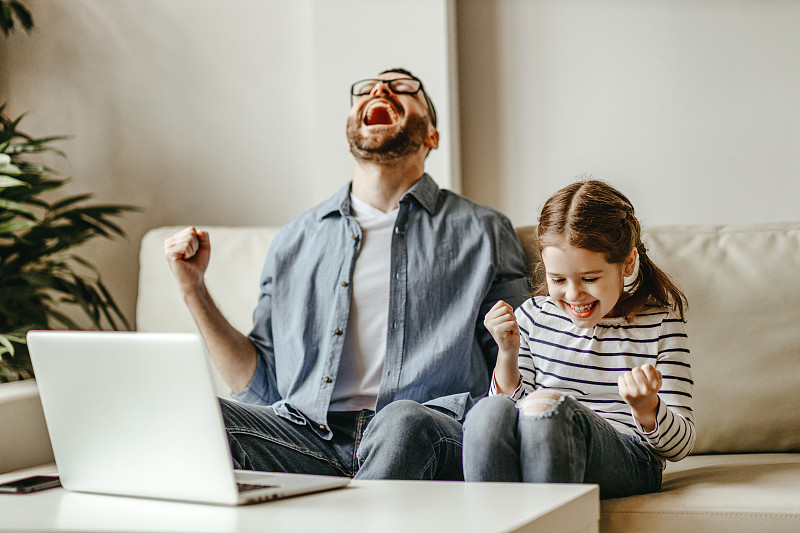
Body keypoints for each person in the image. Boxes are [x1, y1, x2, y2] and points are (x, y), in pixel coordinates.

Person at [164, 68, 529, 480]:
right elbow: (260, 386)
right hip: (306, 438)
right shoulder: (294, 239)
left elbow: (520, 359)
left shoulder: (483, 230)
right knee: (200, 416)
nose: (380, 90)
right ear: (351, 128)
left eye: (404, 89)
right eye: (367, 89)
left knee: (402, 421)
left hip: (424, 431)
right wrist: (193, 289)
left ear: (431, 137)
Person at [462, 179, 695, 498]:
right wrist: (507, 353)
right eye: (558, 279)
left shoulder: (661, 323)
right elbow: (511, 416)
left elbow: (680, 446)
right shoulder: (533, 316)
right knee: (487, 413)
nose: (573, 294)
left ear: (627, 263)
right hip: (539, 447)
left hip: (630, 457)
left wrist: (646, 407)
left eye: (590, 278)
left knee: (551, 413)